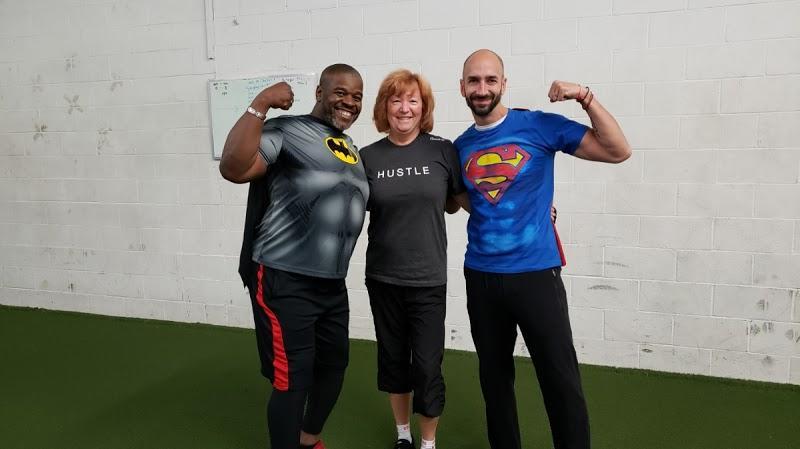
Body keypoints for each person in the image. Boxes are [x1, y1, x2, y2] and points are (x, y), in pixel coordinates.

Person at [453, 49, 631, 449]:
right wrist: (523, 207)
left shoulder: (538, 125)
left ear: (503, 84)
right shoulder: (460, 146)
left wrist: (585, 96)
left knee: (559, 378)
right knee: (494, 381)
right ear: (462, 87)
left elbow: (618, 150)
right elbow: (468, 199)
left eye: (490, 80)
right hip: (481, 277)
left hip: (536, 275)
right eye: (474, 81)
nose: (482, 89)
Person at [219, 64, 368, 449]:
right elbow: (234, 167)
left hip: (332, 284)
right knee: (293, 379)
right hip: (285, 278)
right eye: (340, 92)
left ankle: (308, 439)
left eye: (357, 97)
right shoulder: (286, 131)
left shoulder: (351, 149)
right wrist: (261, 103)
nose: (349, 102)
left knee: (333, 368)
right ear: (319, 93)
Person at [359, 69, 465, 449]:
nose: (404, 108)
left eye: (413, 100)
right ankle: (403, 433)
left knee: (426, 365)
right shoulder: (367, 157)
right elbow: (345, 208)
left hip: (428, 280)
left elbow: (464, 201)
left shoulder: (443, 150)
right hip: (383, 278)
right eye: (396, 100)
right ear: (384, 107)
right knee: (393, 359)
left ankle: (428, 442)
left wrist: (528, 209)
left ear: (424, 107)